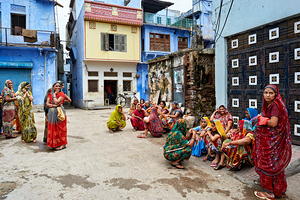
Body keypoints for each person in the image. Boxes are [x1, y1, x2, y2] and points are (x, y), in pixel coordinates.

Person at [253, 85, 291, 200]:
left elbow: (274, 123)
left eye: (271, 93)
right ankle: (279, 191)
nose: (268, 95)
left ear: (275, 94)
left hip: (272, 143)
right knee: (276, 165)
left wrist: (261, 120)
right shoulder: (271, 104)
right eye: (266, 92)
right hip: (271, 142)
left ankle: (269, 192)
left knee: (268, 165)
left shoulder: (275, 106)